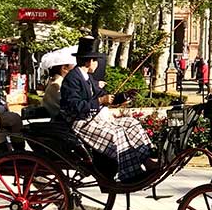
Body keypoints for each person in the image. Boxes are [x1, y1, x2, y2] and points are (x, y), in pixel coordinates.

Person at [59, 36, 157, 182]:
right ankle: (130, 174)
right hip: (80, 123)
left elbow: (105, 97)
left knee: (132, 123)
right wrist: (99, 101)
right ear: (89, 61)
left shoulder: (88, 78)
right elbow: (73, 106)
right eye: (96, 60)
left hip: (95, 119)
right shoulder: (72, 79)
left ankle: (148, 159)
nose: (97, 64)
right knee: (117, 133)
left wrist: (123, 96)